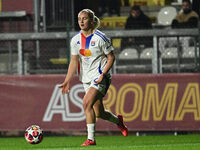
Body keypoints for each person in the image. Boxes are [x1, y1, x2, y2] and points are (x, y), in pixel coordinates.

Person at [59, 9, 128, 146]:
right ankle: (118, 121)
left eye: (84, 18)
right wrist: (67, 80)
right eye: (79, 19)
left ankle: (91, 139)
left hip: (101, 77)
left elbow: (111, 57)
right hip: (86, 78)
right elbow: (74, 61)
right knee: (99, 113)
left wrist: (103, 74)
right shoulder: (75, 40)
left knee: (86, 103)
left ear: (91, 20)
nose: (81, 22)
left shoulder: (101, 38)